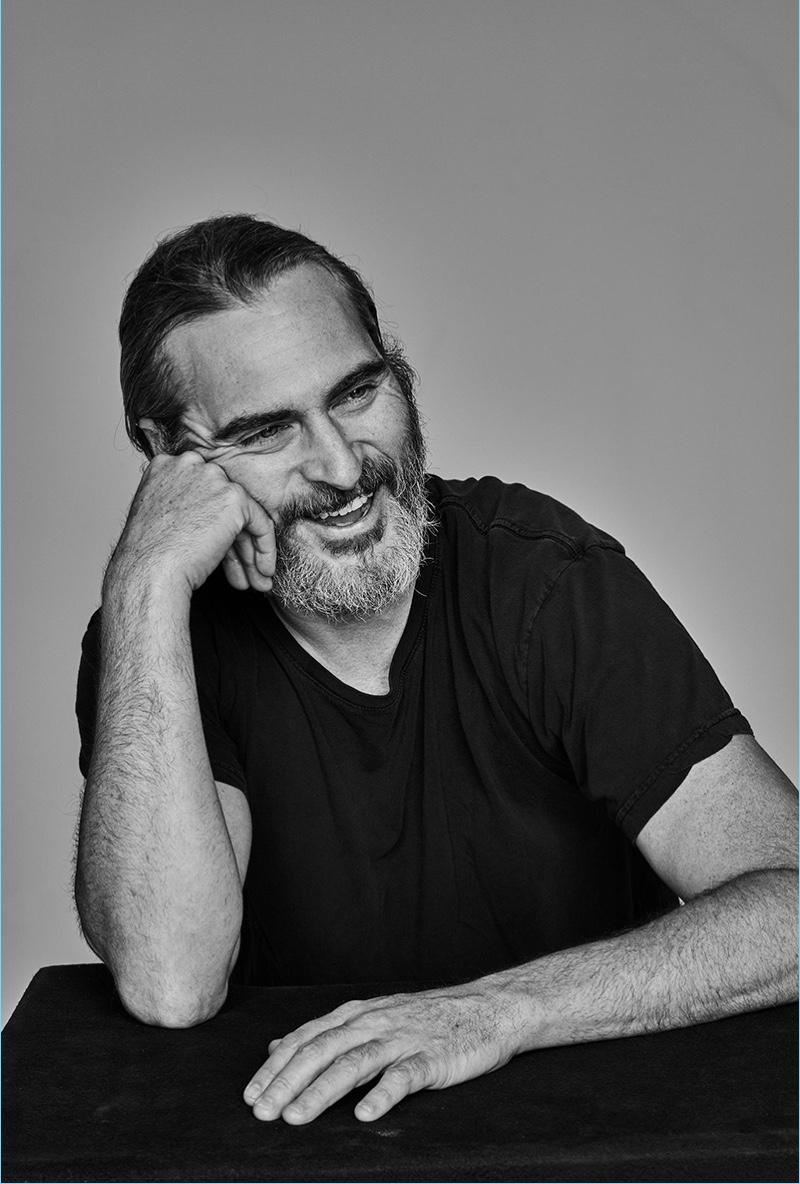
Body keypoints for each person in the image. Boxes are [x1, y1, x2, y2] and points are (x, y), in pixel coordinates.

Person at [75, 214, 797, 1127]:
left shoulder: (545, 581)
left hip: (585, 1141)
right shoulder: (159, 643)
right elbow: (170, 980)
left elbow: (794, 904)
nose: (341, 466)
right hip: (312, 1148)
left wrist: (496, 1012)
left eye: (357, 390)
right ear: (168, 455)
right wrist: (142, 583)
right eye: (266, 431)